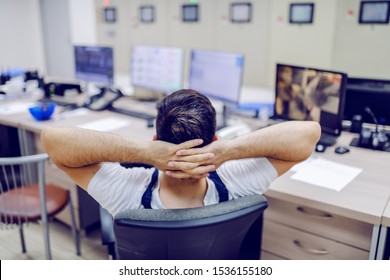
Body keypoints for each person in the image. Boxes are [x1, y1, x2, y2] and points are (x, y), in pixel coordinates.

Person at [41, 89, 320, 216]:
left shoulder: (125, 193)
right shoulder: (238, 184)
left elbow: (53, 140)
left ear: (155, 139)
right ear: (214, 138)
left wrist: (143, 152)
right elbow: (308, 134)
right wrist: (226, 150)